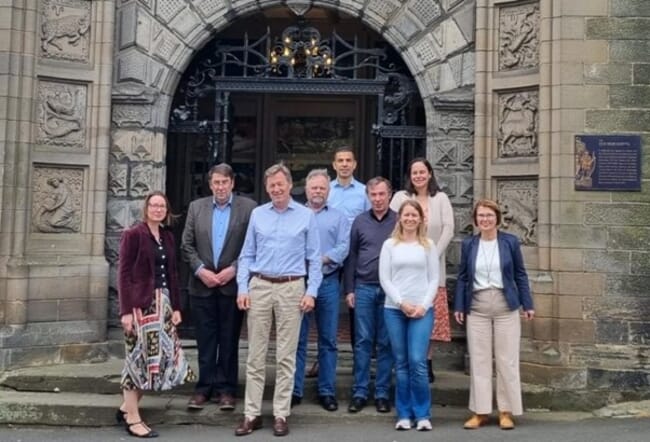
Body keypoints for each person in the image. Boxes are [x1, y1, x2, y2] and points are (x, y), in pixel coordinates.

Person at [235, 163, 322, 438]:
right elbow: (247, 254)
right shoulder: (258, 215)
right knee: (255, 355)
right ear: (267, 188)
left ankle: (281, 414)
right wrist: (242, 287)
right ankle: (251, 414)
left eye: (280, 184)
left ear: (289, 185)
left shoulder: (306, 216)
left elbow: (315, 259)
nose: (276, 189)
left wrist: (312, 292)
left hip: (291, 287)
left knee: (286, 356)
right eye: (271, 185)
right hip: (260, 285)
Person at [117, 191, 195, 438]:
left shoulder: (168, 237)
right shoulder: (133, 234)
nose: (158, 209)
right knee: (137, 359)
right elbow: (123, 274)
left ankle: (125, 407)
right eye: (154, 205)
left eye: (162, 206)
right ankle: (133, 417)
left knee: (160, 361)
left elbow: (173, 274)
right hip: (141, 305)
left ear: (167, 211)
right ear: (146, 208)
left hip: (164, 306)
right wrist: (126, 311)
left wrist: (177, 308)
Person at [453, 198, 534, 431]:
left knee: (507, 360)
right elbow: (463, 278)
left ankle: (506, 412)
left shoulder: (510, 242)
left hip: (505, 305)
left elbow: (520, 274)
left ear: (497, 218)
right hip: (477, 306)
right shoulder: (469, 244)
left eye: (489, 215)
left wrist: (527, 304)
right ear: (475, 220)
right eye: (481, 216)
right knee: (479, 361)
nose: (485, 219)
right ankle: (480, 412)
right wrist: (459, 306)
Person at [181, 163, 256, 411]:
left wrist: (233, 270)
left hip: (231, 286)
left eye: (225, 182)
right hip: (202, 286)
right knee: (205, 341)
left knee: (228, 340)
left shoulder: (248, 208)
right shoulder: (196, 207)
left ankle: (226, 390)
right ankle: (203, 388)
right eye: (216, 183)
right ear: (210, 184)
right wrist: (201, 270)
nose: (220, 187)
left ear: (232, 183)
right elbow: (187, 245)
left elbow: (251, 245)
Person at [389, 158, 454, 383]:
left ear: (430, 173)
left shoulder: (441, 198)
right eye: (414, 172)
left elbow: (449, 229)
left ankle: (426, 361)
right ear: (410, 175)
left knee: (428, 316)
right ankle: (407, 361)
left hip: (432, 267)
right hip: (405, 269)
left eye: (422, 172)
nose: (418, 176)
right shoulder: (401, 198)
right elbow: (392, 226)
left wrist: (431, 255)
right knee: (405, 313)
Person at [292, 169, 350, 412]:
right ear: (306, 189)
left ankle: (326, 391)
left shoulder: (339, 217)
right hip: (300, 283)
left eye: (322, 188)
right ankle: (294, 390)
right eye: (314, 187)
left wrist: (321, 260)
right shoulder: (295, 215)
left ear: (329, 191)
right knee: (297, 339)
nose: (318, 191)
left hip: (327, 282)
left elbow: (344, 246)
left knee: (328, 340)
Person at [380, 200, 439, 431]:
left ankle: (422, 414)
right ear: (400, 218)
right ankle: (404, 414)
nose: (410, 219)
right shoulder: (389, 245)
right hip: (395, 310)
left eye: (415, 215)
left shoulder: (428, 245)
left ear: (421, 219)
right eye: (406, 215)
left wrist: (423, 305)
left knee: (418, 361)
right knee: (401, 363)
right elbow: (385, 278)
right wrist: (401, 302)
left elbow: (434, 278)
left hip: (422, 310)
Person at [344, 177, 396, 414]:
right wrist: (350, 289)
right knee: (363, 342)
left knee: (385, 343)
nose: (377, 199)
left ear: (390, 195)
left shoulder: (398, 221)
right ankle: (360, 391)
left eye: (381, 194)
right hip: (363, 287)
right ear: (368, 196)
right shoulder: (359, 221)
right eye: (373, 195)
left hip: (390, 291)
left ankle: (382, 393)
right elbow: (352, 256)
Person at [326, 146, 370, 375]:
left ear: (354, 165)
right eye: (340, 160)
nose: (344, 164)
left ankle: (358, 359)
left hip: (355, 255)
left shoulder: (364, 193)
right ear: (334, 165)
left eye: (348, 160)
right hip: (330, 257)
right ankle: (322, 361)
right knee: (327, 309)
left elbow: (370, 223)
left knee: (356, 309)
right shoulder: (326, 191)